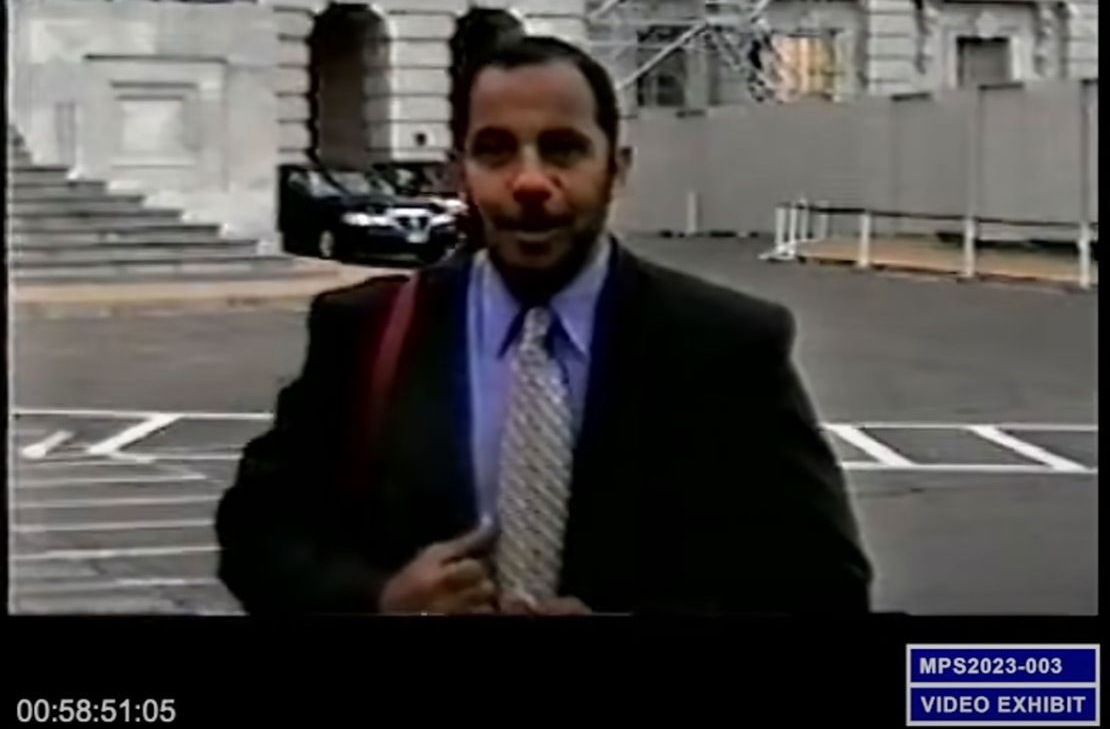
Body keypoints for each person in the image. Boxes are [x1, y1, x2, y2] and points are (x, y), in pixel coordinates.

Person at [216, 35, 872, 616]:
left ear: (616, 169)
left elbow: (823, 588)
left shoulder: (726, 346)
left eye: (563, 149)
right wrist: (380, 600)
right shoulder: (366, 330)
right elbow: (258, 538)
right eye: (496, 152)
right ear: (460, 173)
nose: (530, 182)